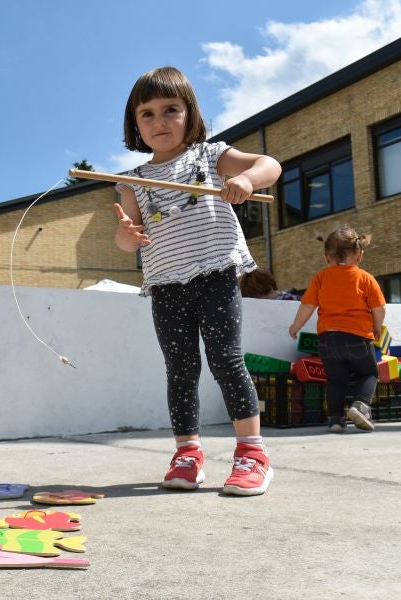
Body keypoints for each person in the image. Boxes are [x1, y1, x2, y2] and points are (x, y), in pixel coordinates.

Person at [113, 66, 281, 495]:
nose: (159, 121)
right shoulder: (133, 181)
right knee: (180, 369)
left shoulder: (210, 156)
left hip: (215, 276)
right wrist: (126, 236)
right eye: (146, 114)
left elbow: (270, 165)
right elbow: (124, 237)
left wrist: (244, 178)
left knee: (226, 360)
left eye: (171, 109)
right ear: (135, 123)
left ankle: (252, 453)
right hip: (166, 286)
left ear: (190, 113)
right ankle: (188, 453)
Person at [288, 226, 386, 433]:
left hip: (327, 339)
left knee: (335, 379)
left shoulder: (321, 278)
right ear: (359, 254)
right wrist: (377, 327)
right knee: (368, 373)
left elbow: (307, 306)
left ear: (326, 257)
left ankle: (335, 420)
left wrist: (296, 326)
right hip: (358, 337)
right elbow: (379, 307)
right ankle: (360, 405)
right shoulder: (365, 278)